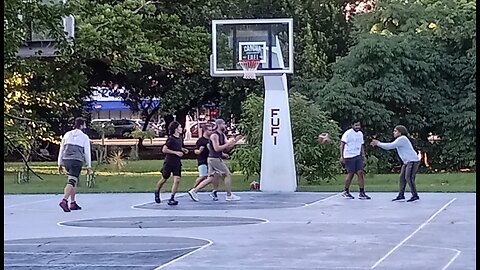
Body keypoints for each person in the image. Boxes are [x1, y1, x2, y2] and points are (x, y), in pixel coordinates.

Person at [188, 119, 242, 201]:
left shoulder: (222, 135)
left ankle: (194, 191)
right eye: (223, 124)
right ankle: (229, 195)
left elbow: (227, 147)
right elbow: (217, 148)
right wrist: (228, 143)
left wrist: (235, 141)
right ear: (219, 125)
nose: (225, 126)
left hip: (214, 158)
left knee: (210, 178)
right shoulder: (214, 136)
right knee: (227, 174)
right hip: (214, 158)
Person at [371, 125, 420, 202]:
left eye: (395, 131)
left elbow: (390, 146)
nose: (393, 132)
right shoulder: (399, 139)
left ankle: (415, 195)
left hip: (412, 161)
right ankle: (401, 195)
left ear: (400, 132)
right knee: (402, 177)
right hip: (407, 161)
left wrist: (378, 143)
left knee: (409, 178)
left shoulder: (402, 138)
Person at [57, 117, 92, 212]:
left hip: (66, 159)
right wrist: (89, 166)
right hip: (76, 160)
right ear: (82, 125)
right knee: (71, 181)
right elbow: (87, 152)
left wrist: (59, 163)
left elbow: (62, 148)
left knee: (73, 180)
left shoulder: (67, 134)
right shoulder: (84, 137)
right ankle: (64, 200)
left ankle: (72, 202)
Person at [154, 121, 189, 205]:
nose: (181, 129)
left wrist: (183, 149)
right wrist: (176, 153)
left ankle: (172, 198)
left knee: (177, 180)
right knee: (164, 178)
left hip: (177, 162)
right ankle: (157, 191)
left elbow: (179, 146)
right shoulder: (170, 139)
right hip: (169, 161)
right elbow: (164, 149)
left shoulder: (180, 137)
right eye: (180, 127)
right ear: (176, 129)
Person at [188, 123, 220, 201]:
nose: (211, 132)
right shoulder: (201, 140)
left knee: (215, 175)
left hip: (210, 160)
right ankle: (194, 189)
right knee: (203, 176)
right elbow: (195, 150)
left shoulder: (211, 139)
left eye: (212, 130)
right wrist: (199, 151)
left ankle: (214, 191)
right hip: (202, 160)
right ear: (205, 131)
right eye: (209, 130)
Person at [340, 120, 371, 200]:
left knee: (360, 173)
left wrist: (363, 154)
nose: (358, 127)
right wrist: (342, 156)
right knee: (351, 174)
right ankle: (346, 191)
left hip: (357, 155)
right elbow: (342, 145)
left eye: (359, 125)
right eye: (356, 125)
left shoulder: (360, 134)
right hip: (349, 156)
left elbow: (361, 145)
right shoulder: (347, 133)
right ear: (352, 125)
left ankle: (362, 192)